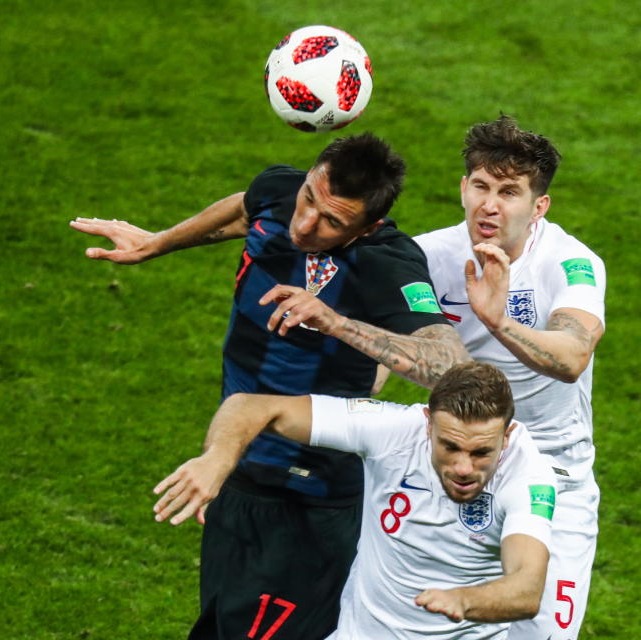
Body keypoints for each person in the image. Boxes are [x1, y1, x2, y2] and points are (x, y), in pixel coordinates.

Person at [70, 133, 469, 640]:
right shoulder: (282, 190)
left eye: (331, 222)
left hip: (309, 500)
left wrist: (337, 323)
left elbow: (451, 366)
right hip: (234, 473)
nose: (305, 224)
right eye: (308, 200)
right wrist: (159, 242)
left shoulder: (387, 262)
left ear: (366, 227)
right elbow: (243, 210)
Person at [153, 362, 557, 639]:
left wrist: (462, 599)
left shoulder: (528, 478)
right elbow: (251, 406)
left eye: (481, 453)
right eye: (450, 446)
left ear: (507, 435)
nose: (464, 467)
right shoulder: (394, 431)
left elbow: (526, 588)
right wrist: (218, 460)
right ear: (428, 424)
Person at [414, 116, 606, 640]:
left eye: (509, 192)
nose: (489, 205)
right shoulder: (426, 257)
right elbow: (387, 358)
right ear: (463, 187)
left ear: (538, 205)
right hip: (452, 463)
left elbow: (572, 358)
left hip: (553, 473)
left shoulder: (570, 264)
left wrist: (499, 320)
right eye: (480, 186)